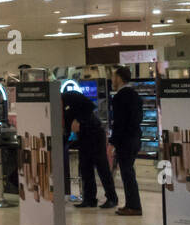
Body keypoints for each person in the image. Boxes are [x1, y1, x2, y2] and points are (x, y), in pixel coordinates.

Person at [61, 89, 118, 209]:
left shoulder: (70, 95)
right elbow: (66, 129)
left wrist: (78, 120)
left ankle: (112, 198)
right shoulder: (59, 110)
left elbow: (90, 106)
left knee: (102, 167)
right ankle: (90, 199)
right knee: (85, 168)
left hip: (95, 133)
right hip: (83, 137)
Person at [108, 66, 144, 216]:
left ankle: (134, 206)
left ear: (119, 78)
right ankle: (131, 204)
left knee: (127, 173)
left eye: (113, 77)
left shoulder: (120, 97)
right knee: (128, 172)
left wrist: (113, 142)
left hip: (125, 141)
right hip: (135, 138)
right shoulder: (135, 95)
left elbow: (119, 123)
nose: (111, 80)